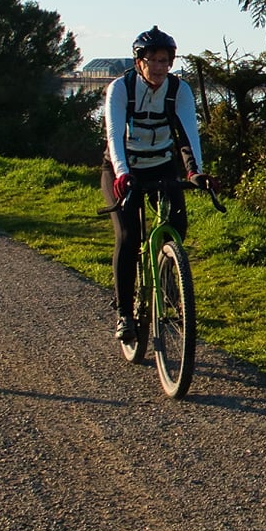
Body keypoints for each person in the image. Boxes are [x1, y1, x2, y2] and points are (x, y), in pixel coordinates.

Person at [102, 26, 207, 344]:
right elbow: (114, 134)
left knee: (178, 224)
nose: (161, 67)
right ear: (139, 62)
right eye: (154, 60)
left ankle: (169, 283)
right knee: (129, 234)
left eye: (166, 61)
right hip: (123, 168)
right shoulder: (121, 89)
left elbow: (189, 133)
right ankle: (124, 313)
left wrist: (195, 172)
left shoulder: (179, 90)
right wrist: (122, 174)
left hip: (161, 164)